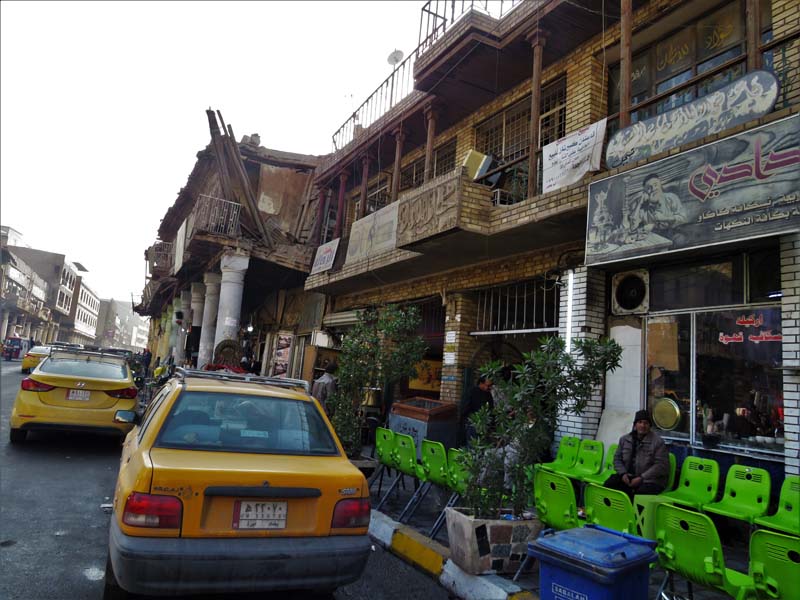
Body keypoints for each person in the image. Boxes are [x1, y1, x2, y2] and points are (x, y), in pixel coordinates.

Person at [604, 409, 670, 499]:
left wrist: (642, 478)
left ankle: (632, 513)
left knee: (638, 494)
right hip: (628, 477)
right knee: (609, 484)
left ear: (650, 426)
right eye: (640, 422)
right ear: (635, 425)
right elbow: (617, 459)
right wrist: (623, 474)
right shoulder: (625, 439)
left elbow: (661, 466)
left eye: (646, 423)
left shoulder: (658, 442)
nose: (643, 425)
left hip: (650, 480)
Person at [625, 173, 687, 244]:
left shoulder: (671, 198)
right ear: (645, 192)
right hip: (655, 235)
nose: (653, 189)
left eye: (655, 185)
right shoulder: (643, 208)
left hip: (673, 232)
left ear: (660, 185)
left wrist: (665, 218)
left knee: (680, 240)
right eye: (649, 188)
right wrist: (639, 203)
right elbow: (633, 227)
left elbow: (683, 219)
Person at [461, 375, 494, 444]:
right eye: (487, 385)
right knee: (472, 444)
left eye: (490, 386)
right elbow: (466, 407)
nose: (489, 388)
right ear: (481, 383)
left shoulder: (488, 394)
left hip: (484, 423)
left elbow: (491, 408)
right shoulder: (472, 392)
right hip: (473, 422)